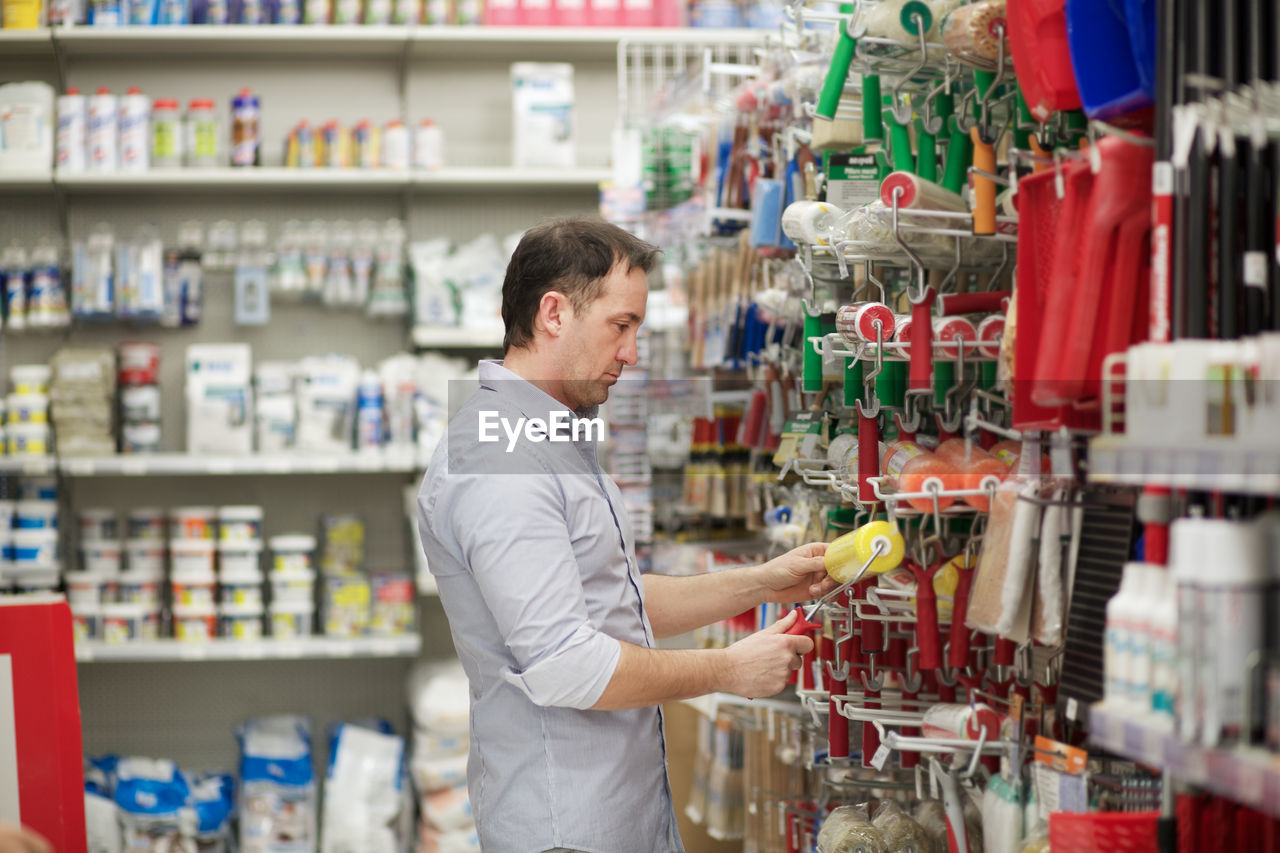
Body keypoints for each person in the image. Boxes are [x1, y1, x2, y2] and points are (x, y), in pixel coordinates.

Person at [417, 217, 833, 853]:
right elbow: (566, 665)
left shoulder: (550, 434)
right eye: (621, 325)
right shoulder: (500, 461)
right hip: (568, 828)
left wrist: (763, 580)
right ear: (553, 313)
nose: (632, 353)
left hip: (618, 814)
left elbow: (614, 600)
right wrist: (727, 668)